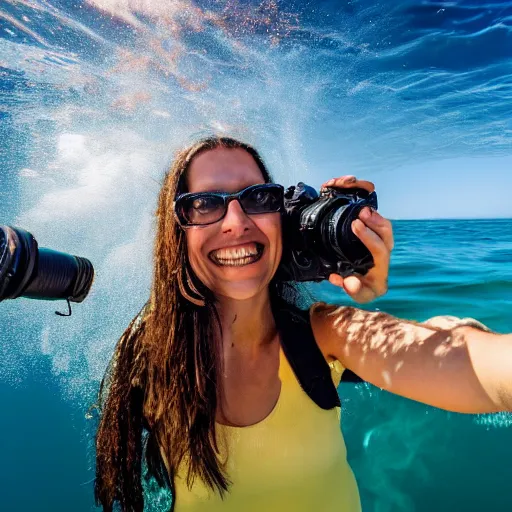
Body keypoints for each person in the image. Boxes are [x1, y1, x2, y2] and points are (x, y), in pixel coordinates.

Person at [94, 137, 512, 512]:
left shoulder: (325, 333)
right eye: (203, 204)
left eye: (258, 198)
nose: (237, 222)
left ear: (283, 221)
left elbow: (465, 358)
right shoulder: (146, 352)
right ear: (177, 234)